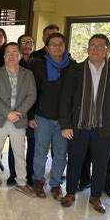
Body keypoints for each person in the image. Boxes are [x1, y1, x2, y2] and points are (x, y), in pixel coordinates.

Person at [60, 34, 110, 213]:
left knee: (101, 164)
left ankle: (96, 197)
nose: (95, 49)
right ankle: (69, 193)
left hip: (105, 128)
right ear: (87, 49)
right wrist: (66, 124)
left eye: (100, 46)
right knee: (75, 161)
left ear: (107, 50)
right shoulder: (76, 70)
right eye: (92, 45)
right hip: (78, 127)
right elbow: (66, 98)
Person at [0, 42, 37, 197]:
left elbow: (32, 95)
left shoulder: (28, 74)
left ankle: (21, 183)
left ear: (20, 56)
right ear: (4, 56)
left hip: (19, 120)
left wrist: (19, 113)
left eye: (15, 53)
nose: (11, 56)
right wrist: (7, 113)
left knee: (19, 153)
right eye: (8, 53)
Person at [30, 33, 74, 200]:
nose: (57, 47)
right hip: (42, 117)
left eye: (60, 44)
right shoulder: (38, 66)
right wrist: (31, 115)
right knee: (40, 152)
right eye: (53, 44)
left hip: (64, 120)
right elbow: (33, 92)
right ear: (47, 48)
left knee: (61, 153)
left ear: (65, 46)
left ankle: (56, 184)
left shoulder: (73, 67)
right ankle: (38, 181)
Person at [7, 34, 36, 186]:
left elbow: (36, 93)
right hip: (14, 113)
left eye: (31, 42)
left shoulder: (38, 64)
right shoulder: (12, 62)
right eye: (24, 42)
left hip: (31, 113)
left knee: (32, 145)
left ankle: (30, 174)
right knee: (15, 145)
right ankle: (13, 174)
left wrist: (32, 115)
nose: (28, 45)